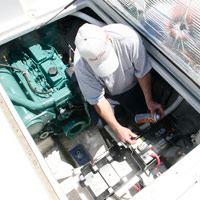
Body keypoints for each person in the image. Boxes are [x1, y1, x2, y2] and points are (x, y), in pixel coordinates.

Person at [74, 23, 164, 144]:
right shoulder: (81, 66)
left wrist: (149, 100)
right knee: (99, 123)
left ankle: (127, 115)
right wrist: (117, 128)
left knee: (142, 117)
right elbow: (98, 99)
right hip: (107, 95)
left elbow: (142, 72)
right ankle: (121, 118)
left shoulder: (129, 39)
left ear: (108, 38)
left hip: (131, 87)